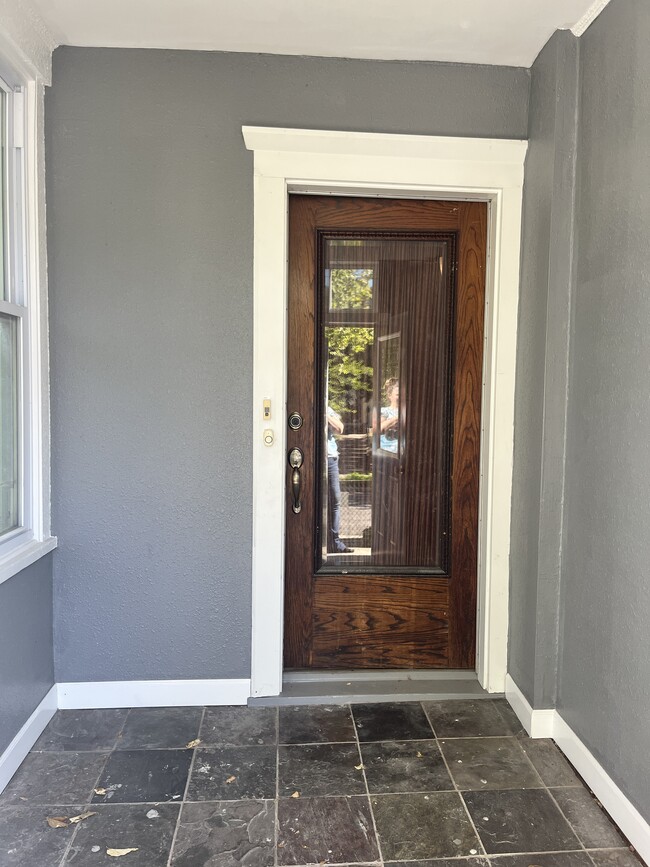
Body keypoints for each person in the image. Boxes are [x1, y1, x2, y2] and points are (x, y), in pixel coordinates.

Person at [327, 406, 354, 554]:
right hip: (312, 458)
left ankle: (334, 541)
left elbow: (339, 428)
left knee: (335, 500)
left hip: (330, 459)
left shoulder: (327, 409)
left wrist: (324, 414)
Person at [380, 378, 399, 452]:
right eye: (398, 395)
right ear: (389, 395)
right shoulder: (384, 411)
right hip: (388, 450)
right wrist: (396, 418)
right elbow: (380, 428)